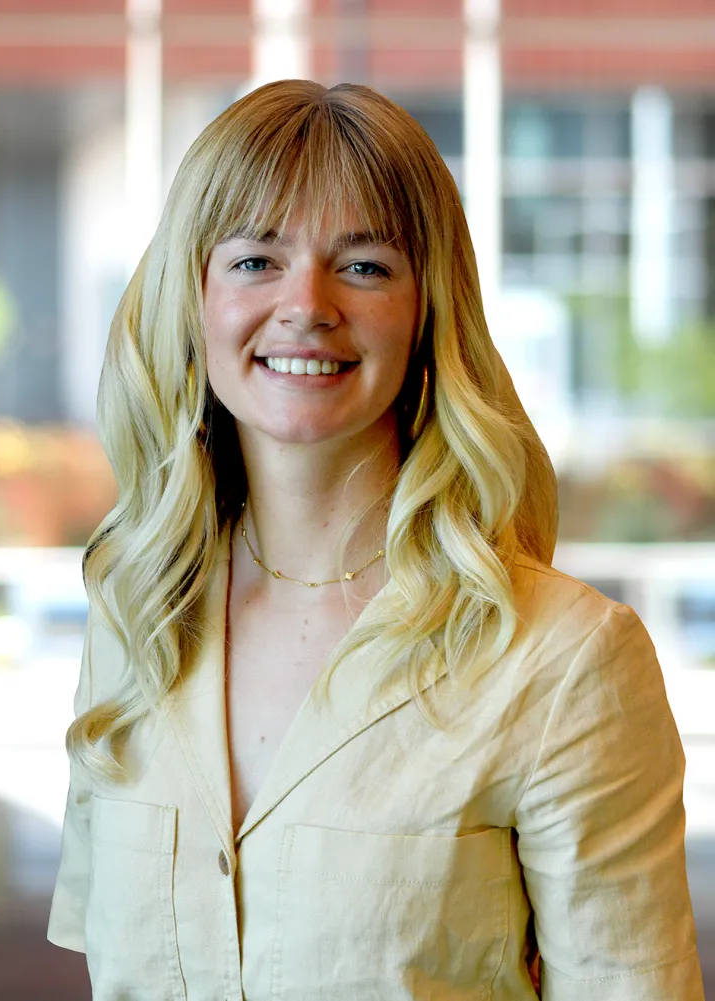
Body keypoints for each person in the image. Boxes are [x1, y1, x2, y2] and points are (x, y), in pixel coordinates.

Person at [47, 79, 705, 1001]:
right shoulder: (136, 617)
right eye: (254, 259)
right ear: (192, 299)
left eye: (363, 265)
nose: (306, 303)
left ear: (429, 311)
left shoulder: (565, 662)